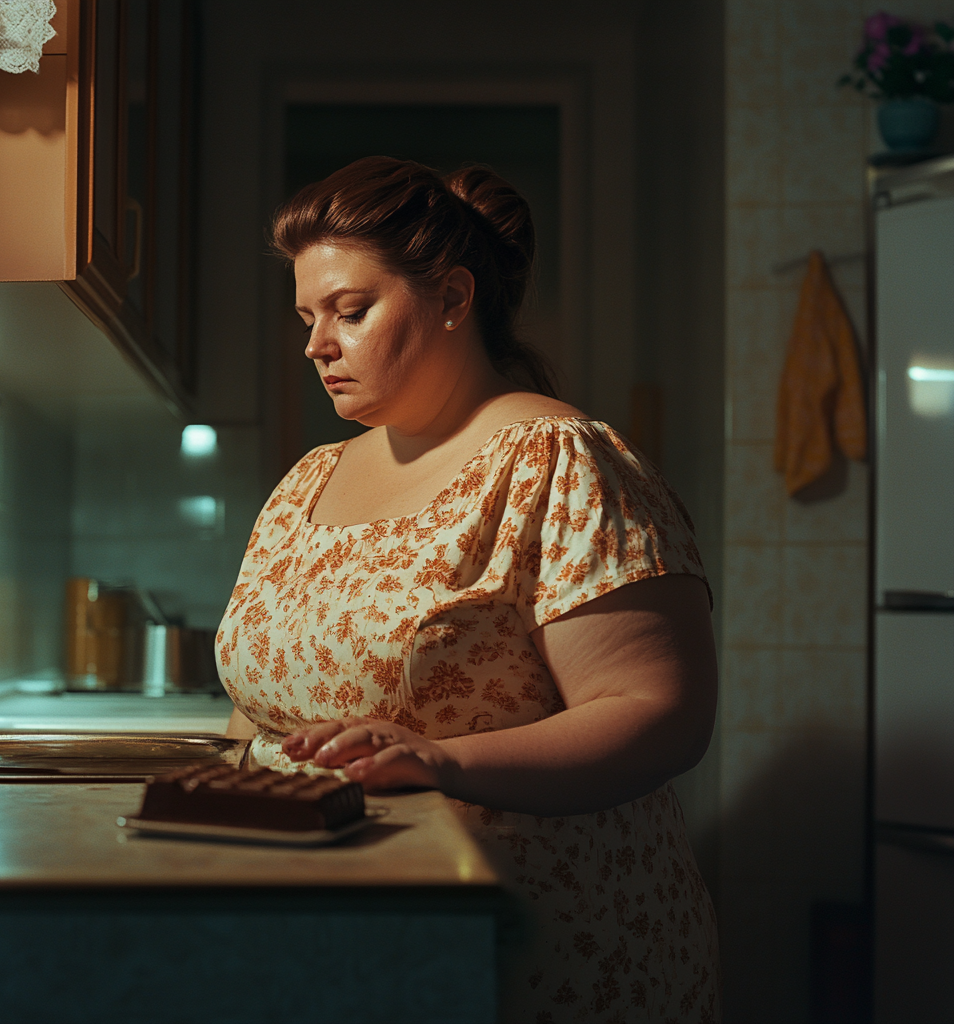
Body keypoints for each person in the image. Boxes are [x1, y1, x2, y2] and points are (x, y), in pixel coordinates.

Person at [218, 156, 720, 1023]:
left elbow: (658, 710)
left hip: (530, 949)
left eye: (350, 310)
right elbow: (260, 704)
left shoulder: (556, 461)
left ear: (453, 299)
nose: (315, 345)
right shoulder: (307, 481)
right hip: (330, 941)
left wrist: (447, 763)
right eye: (306, 316)